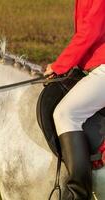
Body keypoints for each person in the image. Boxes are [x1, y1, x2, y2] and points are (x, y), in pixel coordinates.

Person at [44, 0, 105, 199]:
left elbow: (91, 30)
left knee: (66, 113)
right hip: (94, 67)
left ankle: (78, 193)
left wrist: (61, 64)